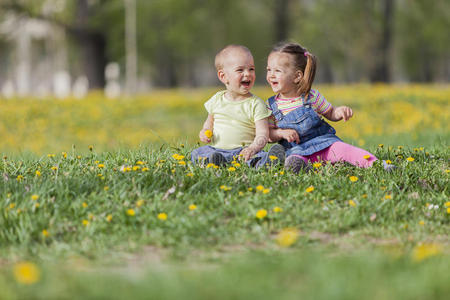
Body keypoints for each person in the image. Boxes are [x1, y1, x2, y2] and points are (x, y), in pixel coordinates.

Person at [265, 42, 393, 173]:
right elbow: (269, 135)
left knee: (345, 149)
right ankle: (300, 167)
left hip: (324, 144)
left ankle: (377, 164)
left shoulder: (311, 97)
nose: (271, 75)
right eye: (269, 70)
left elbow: (330, 112)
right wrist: (281, 133)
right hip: (296, 150)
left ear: (297, 76)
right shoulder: (270, 106)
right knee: (294, 160)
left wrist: (339, 112)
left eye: (277, 71)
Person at [191, 44, 285, 168]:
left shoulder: (256, 104)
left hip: (244, 151)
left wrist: (252, 148)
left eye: (251, 69)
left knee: (257, 157)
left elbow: (263, 134)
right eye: (240, 70)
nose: (247, 74)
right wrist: (205, 132)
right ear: (223, 76)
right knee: (197, 153)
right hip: (217, 150)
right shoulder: (216, 99)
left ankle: (267, 162)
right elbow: (209, 123)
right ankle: (216, 162)